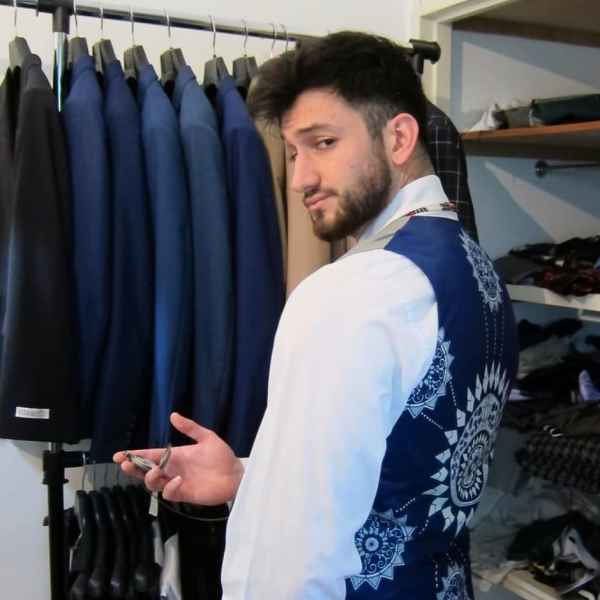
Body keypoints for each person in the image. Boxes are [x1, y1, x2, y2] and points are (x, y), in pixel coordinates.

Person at [115, 31, 518, 599]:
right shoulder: (478, 272)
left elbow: (293, 556)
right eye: (293, 152)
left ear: (399, 137)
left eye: (323, 143)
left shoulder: (354, 290)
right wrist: (251, 477)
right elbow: (394, 470)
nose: (301, 177)